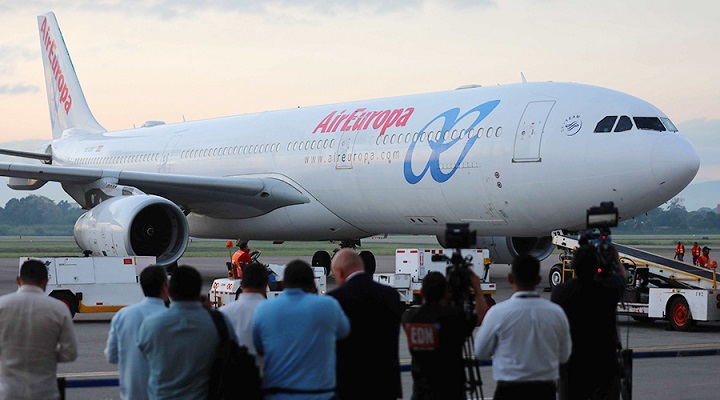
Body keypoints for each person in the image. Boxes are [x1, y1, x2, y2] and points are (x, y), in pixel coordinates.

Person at [474, 253, 571, 400]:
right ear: (538, 280)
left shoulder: (497, 313)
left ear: (510, 279)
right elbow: (564, 356)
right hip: (544, 391)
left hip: (509, 390)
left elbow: (481, 352)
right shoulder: (556, 313)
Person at [252, 259, 350, 400]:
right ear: (313, 285)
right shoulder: (329, 306)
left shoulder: (264, 309)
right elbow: (344, 332)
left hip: (278, 394)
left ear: (283, 284)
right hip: (320, 394)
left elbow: (259, 346)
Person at [138, 265, 236, 400]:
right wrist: (211, 311)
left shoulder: (151, 324)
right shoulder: (218, 322)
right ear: (199, 291)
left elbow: (144, 357)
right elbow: (232, 352)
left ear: (169, 291)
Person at [327, 248, 405, 400]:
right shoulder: (391, 295)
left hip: (349, 384)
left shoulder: (334, 299)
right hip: (385, 384)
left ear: (341, 272)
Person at [551, 244, 624, 400]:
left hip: (573, 367)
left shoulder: (561, 293)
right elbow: (622, 278)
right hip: (604, 365)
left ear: (573, 266)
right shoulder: (609, 289)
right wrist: (615, 260)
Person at [402, 270, 488, 400]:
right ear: (445, 293)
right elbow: (481, 316)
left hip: (421, 392)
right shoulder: (453, 318)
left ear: (422, 292)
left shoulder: (410, 318)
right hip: (450, 391)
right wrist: (477, 288)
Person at [0, 259, 78, 400]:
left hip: (9, 392)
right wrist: (45, 355)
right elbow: (70, 353)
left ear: (18, 280)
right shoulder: (58, 309)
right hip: (45, 392)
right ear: (45, 281)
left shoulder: (3, 306)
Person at [104, 265, 169, 400]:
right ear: (165, 286)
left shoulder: (123, 315)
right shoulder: (172, 318)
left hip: (132, 394)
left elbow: (111, 356)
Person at [219, 262, 268, 369]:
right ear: (265, 286)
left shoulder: (223, 313)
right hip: (267, 378)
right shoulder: (274, 313)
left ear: (241, 285)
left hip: (233, 377)